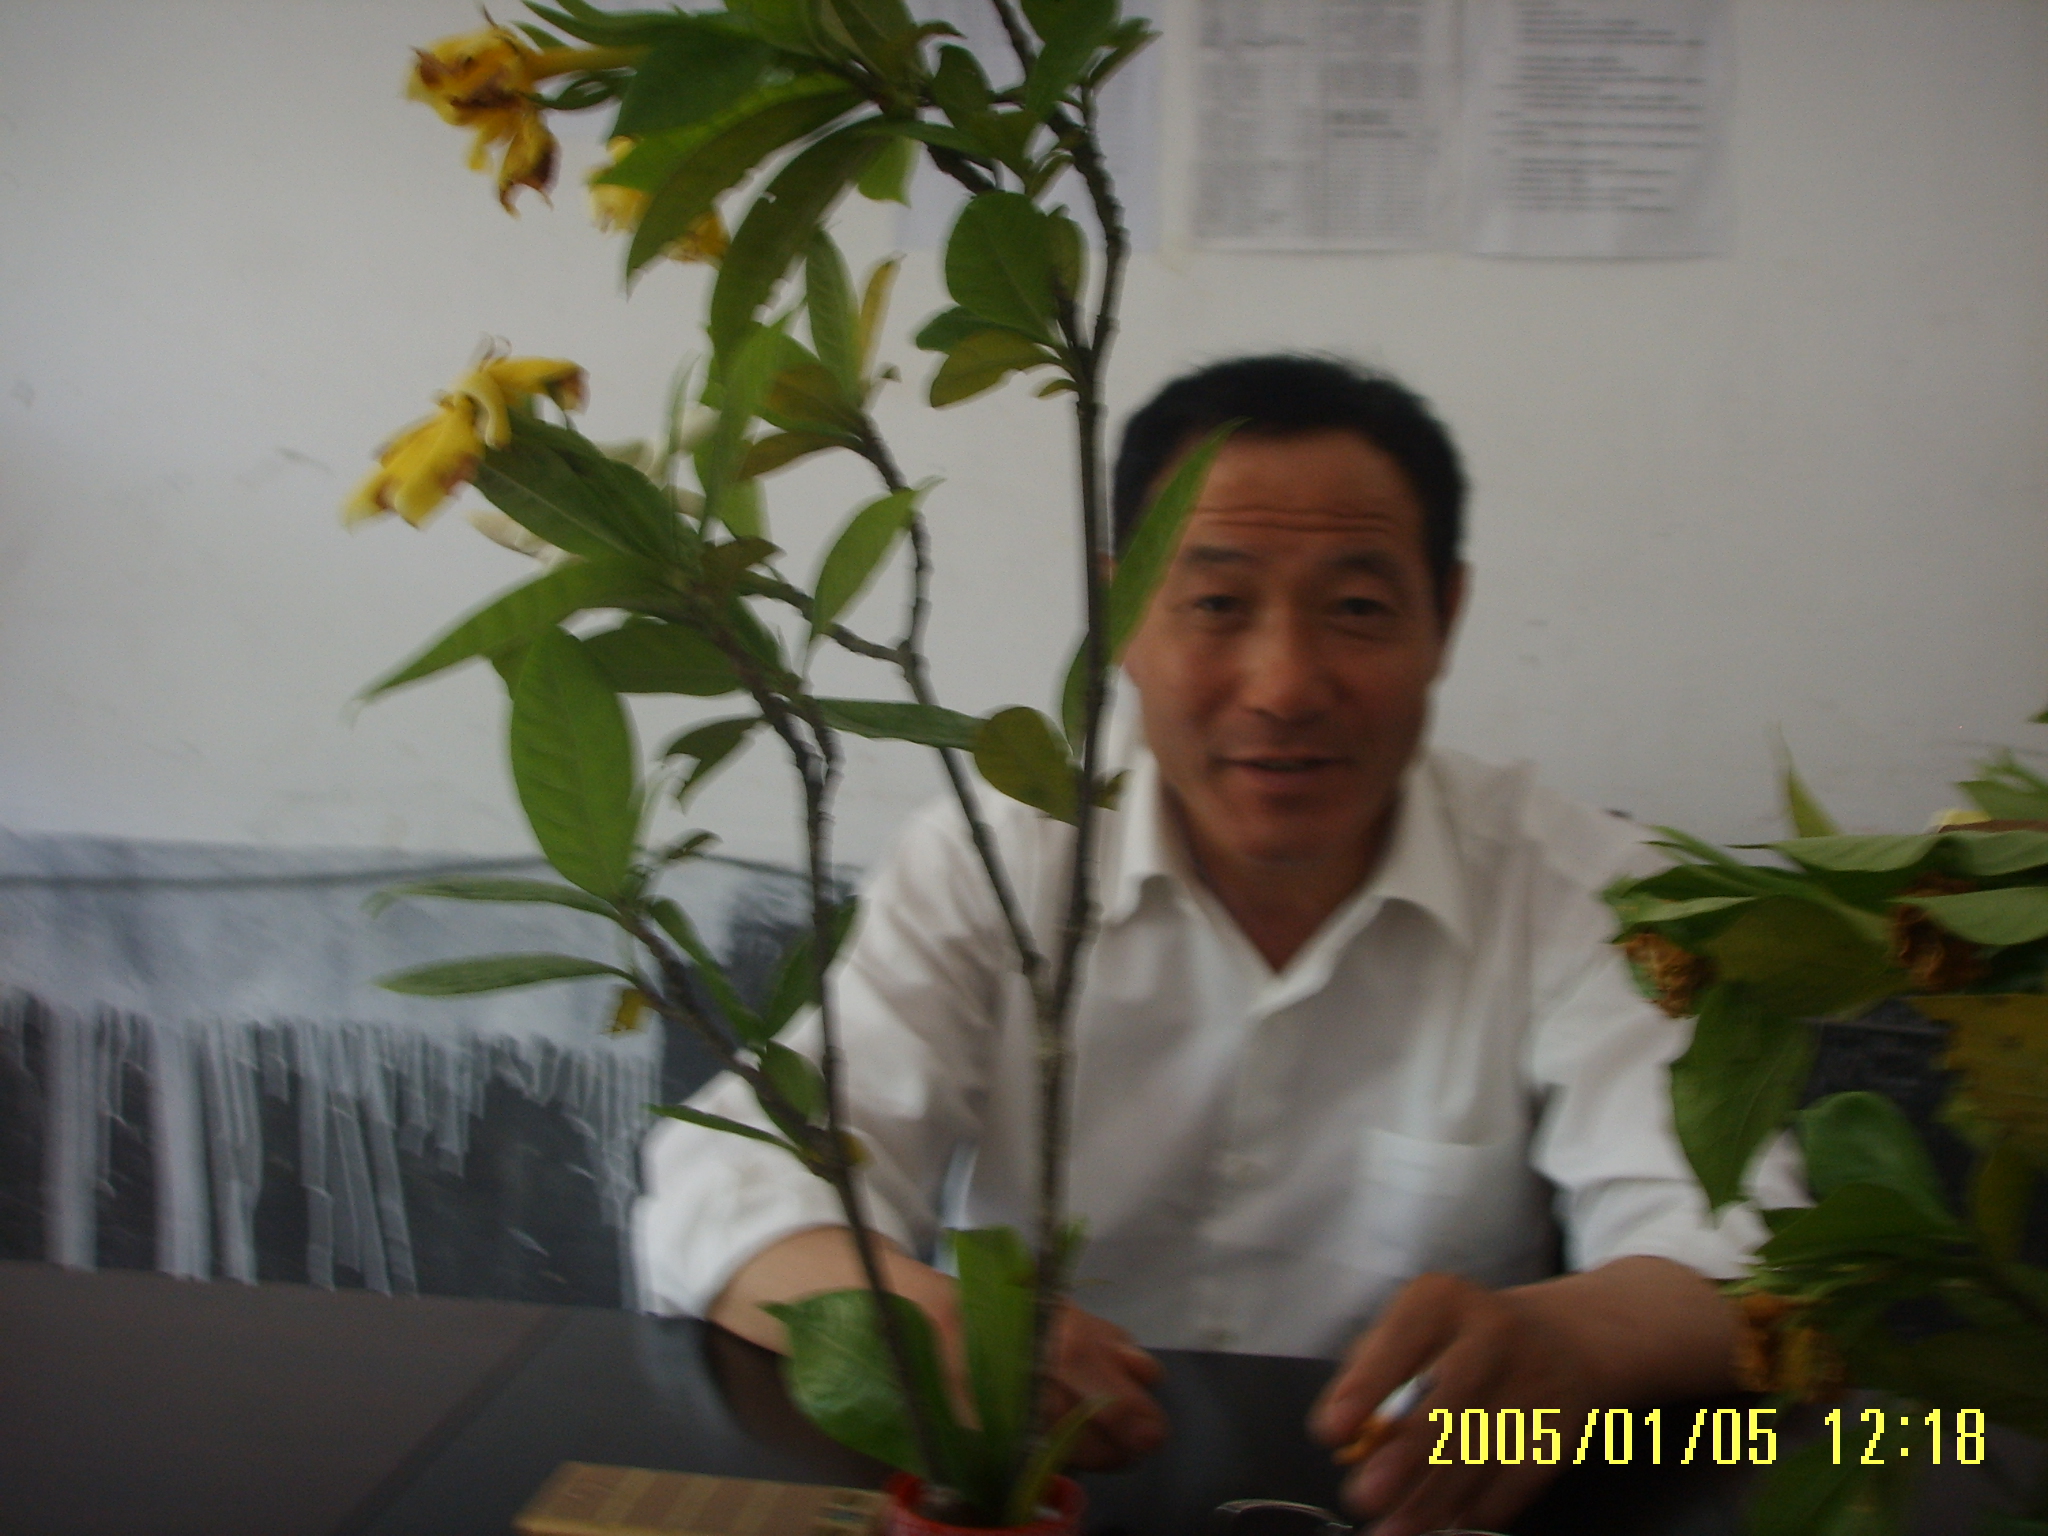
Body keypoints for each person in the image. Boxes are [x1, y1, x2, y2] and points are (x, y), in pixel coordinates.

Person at [635, 355, 1779, 1536]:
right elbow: (730, 1187)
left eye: (1355, 609)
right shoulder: (995, 862)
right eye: (1217, 604)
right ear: (1120, 615)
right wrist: (917, 1328)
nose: (1283, 686)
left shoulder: (1590, 893)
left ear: (1444, 617)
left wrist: (1578, 1342)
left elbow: (1740, 1250)